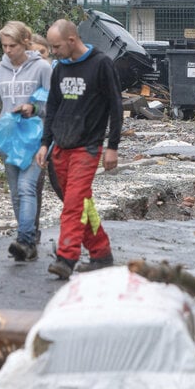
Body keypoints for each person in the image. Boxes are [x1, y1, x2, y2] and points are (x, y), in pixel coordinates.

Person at [36, 19, 123, 280]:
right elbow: (52, 109)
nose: (53, 52)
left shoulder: (101, 64)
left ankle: (66, 258)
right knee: (82, 205)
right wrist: (44, 144)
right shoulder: (59, 68)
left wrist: (112, 147)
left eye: (57, 47)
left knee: (73, 206)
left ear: (72, 40)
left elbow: (116, 108)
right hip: (61, 147)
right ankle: (101, 253)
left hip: (87, 148)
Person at [0, 21, 52, 262]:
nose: (7, 50)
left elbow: (55, 103)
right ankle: (27, 239)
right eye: (4, 46)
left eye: (12, 46)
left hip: (35, 138)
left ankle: (25, 239)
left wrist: (34, 107)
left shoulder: (41, 68)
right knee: (16, 193)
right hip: (9, 138)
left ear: (25, 43)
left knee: (26, 187)